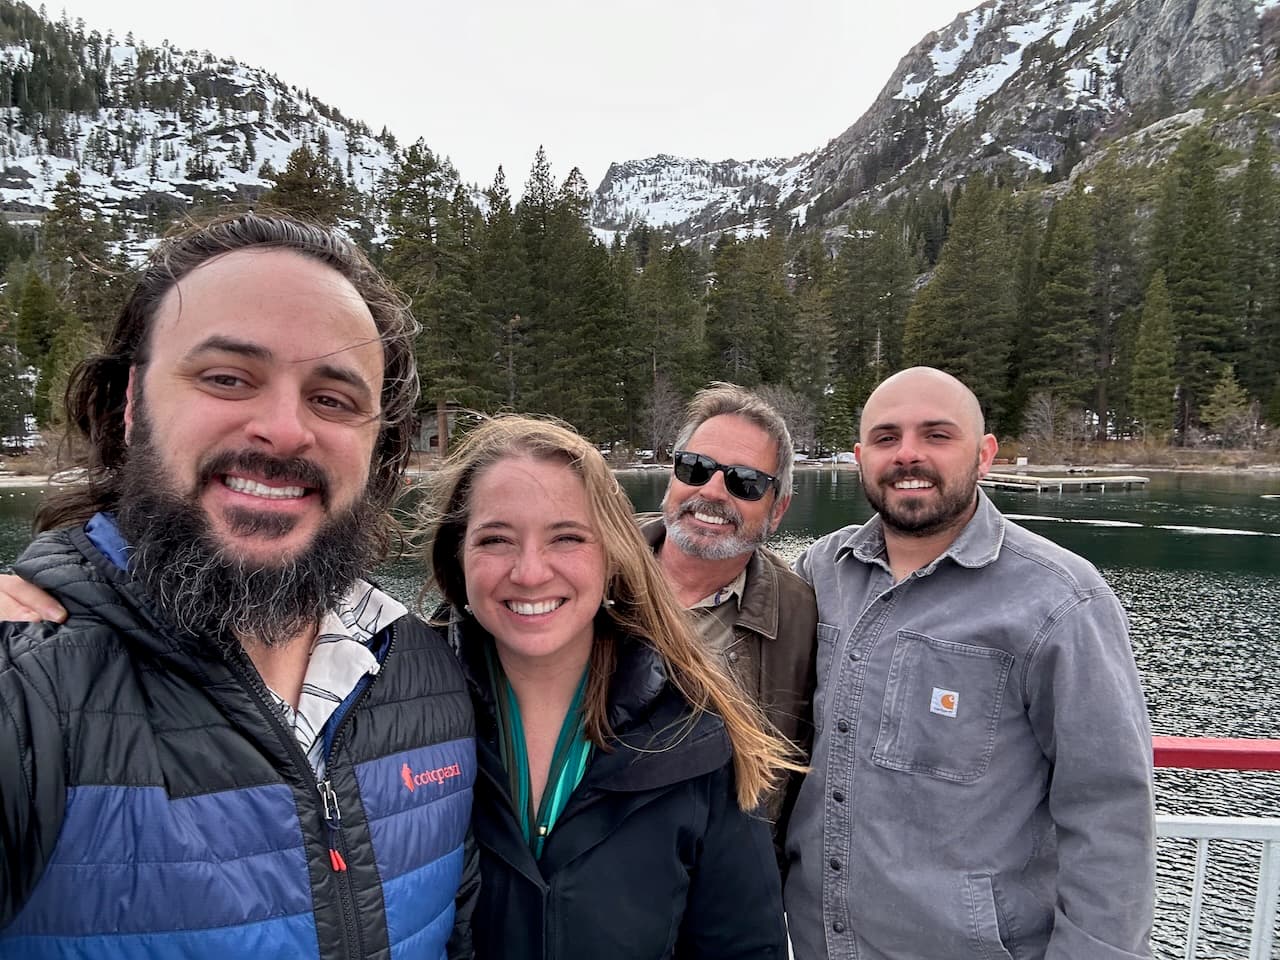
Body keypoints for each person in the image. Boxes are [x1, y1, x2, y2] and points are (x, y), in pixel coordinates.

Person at [0, 213, 477, 959]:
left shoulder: (427, 674)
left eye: (334, 398)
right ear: (130, 405)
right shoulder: (27, 682)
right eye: (227, 378)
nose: (284, 429)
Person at [784, 367, 1155, 960]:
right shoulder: (820, 571)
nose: (908, 455)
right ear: (859, 457)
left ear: (984, 455)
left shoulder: (1060, 599)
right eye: (886, 438)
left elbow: (1109, 809)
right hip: (817, 944)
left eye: (936, 435)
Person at [424, 414, 795, 959]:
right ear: (459, 557)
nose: (529, 572)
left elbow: (744, 948)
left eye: (567, 537)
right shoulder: (395, 717)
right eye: (496, 539)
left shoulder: (692, 734)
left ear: (612, 554)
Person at [641, 383, 816, 852]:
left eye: (745, 481)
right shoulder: (588, 572)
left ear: (777, 510)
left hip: (718, 890)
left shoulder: (804, 616)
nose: (712, 490)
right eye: (695, 468)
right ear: (672, 479)